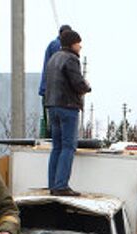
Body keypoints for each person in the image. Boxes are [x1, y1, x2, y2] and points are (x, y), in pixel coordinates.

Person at [44, 29, 91, 196]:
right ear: (72, 43)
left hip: (52, 106)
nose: (80, 46)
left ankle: (53, 185)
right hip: (67, 106)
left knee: (56, 147)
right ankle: (61, 185)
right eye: (79, 43)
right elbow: (78, 83)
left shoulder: (53, 59)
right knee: (68, 147)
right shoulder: (71, 59)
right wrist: (87, 86)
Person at [39, 25, 72, 138]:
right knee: (57, 129)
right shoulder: (59, 46)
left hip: (47, 90)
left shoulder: (52, 45)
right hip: (54, 92)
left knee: (52, 124)